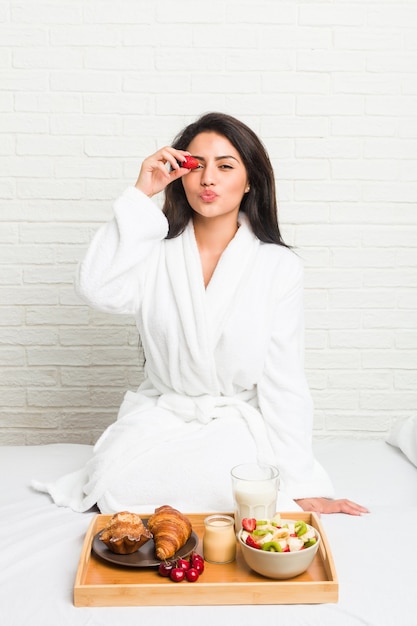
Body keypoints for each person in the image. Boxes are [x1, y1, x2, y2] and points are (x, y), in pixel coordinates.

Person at [34, 112, 368, 516]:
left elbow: (285, 381)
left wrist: (299, 484)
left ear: (249, 181)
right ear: (180, 175)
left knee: (232, 485)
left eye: (225, 167)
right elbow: (97, 289)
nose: (208, 179)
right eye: (195, 166)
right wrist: (142, 194)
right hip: (163, 416)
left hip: (232, 424)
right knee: (117, 484)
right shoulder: (153, 253)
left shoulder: (278, 267)